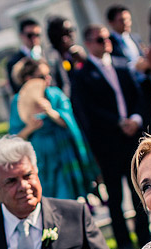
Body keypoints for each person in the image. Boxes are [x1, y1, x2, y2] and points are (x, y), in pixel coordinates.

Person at [72, 24, 151, 249]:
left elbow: (139, 97)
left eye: (107, 38)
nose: (105, 42)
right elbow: (87, 112)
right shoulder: (82, 75)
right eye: (99, 39)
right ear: (88, 44)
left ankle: (145, 236)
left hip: (132, 138)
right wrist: (117, 122)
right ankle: (124, 242)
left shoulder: (121, 64)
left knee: (139, 190)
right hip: (107, 143)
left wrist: (136, 119)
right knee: (115, 196)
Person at [9, 58, 100, 202]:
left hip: (65, 155)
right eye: (42, 76)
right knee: (50, 199)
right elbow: (15, 137)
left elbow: (68, 120)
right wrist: (30, 128)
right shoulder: (18, 101)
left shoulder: (55, 94)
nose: (48, 79)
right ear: (28, 79)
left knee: (67, 198)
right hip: (40, 160)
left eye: (48, 75)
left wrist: (50, 111)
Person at [45, 16, 86, 100]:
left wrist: (84, 60)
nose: (71, 35)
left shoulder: (76, 53)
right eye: (67, 32)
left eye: (72, 30)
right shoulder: (51, 58)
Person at [6, 18, 43, 94]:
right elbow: (16, 90)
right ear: (21, 36)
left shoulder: (50, 56)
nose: (34, 38)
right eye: (30, 35)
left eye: (37, 35)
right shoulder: (13, 62)